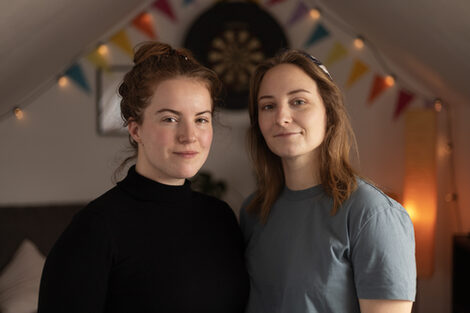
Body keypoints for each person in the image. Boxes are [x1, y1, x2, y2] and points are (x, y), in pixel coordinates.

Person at [38, 41, 249, 313]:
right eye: (170, 119)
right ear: (136, 130)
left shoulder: (221, 217)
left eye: (201, 119)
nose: (189, 136)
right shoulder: (96, 229)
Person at [240, 49, 416, 313]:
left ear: (329, 113)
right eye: (268, 106)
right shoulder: (253, 211)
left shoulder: (372, 214)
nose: (281, 117)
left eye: (298, 101)